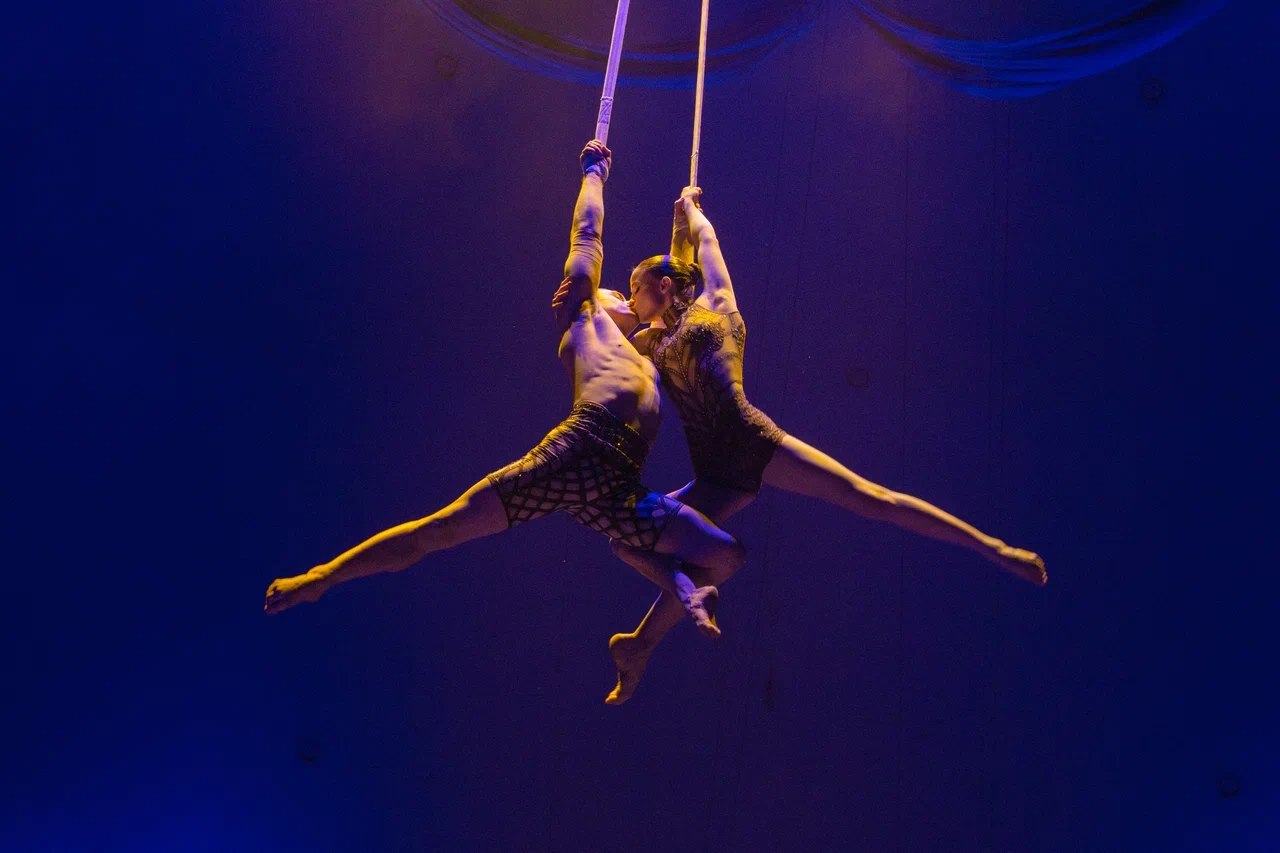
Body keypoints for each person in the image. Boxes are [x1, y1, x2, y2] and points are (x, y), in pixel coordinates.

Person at [589, 186, 1046, 704]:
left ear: (664, 286)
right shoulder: (651, 341)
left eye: (635, 288)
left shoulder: (717, 306)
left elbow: (705, 246)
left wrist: (691, 213)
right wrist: (672, 233)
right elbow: (608, 316)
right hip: (715, 474)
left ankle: (993, 549)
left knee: (871, 497)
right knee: (624, 537)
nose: (631, 298)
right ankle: (641, 644)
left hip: (754, 442)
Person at [264, 145, 743, 638]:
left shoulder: (646, 349)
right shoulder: (586, 314)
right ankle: (321, 577)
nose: (627, 296)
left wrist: (681, 223)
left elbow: (673, 284)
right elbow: (588, 234)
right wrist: (594, 174)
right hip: (579, 449)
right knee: (442, 527)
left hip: (619, 484)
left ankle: (679, 595)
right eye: (618, 291)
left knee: (727, 554)